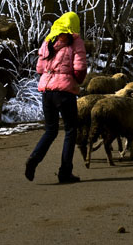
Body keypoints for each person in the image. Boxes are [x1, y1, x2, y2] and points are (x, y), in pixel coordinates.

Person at [24, 11, 87, 184]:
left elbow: (39, 68)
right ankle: (65, 172)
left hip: (47, 91)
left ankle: (34, 159)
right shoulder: (75, 41)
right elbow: (80, 68)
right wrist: (76, 81)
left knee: (50, 130)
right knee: (70, 130)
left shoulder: (49, 41)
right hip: (65, 92)